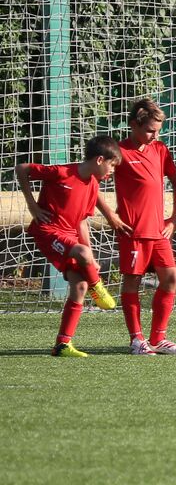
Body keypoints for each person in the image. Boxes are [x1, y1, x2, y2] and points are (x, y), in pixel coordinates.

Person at [16, 136, 122, 357]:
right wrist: (33, 207)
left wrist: (90, 257)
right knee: (83, 257)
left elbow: (81, 221)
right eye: (112, 165)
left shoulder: (93, 184)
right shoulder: (62, 172)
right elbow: (22, 168)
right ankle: (98, 286)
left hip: (70, 237)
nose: (112, 171)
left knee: (79, 287)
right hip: (48, 231)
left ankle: (62, 344)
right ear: (100, 159)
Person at [111, 98, 176, 354]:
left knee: (171, 277)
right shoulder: (119, 151)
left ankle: (158, 338)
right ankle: (136, 340)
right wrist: (112, 216)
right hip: (132, 231)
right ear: (133, 125)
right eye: (149, 130)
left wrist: (174, 219)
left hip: (158, 231)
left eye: (158, 130)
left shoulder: (160, 149)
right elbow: (92, 183)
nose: (155, 135)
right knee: (132, 281)